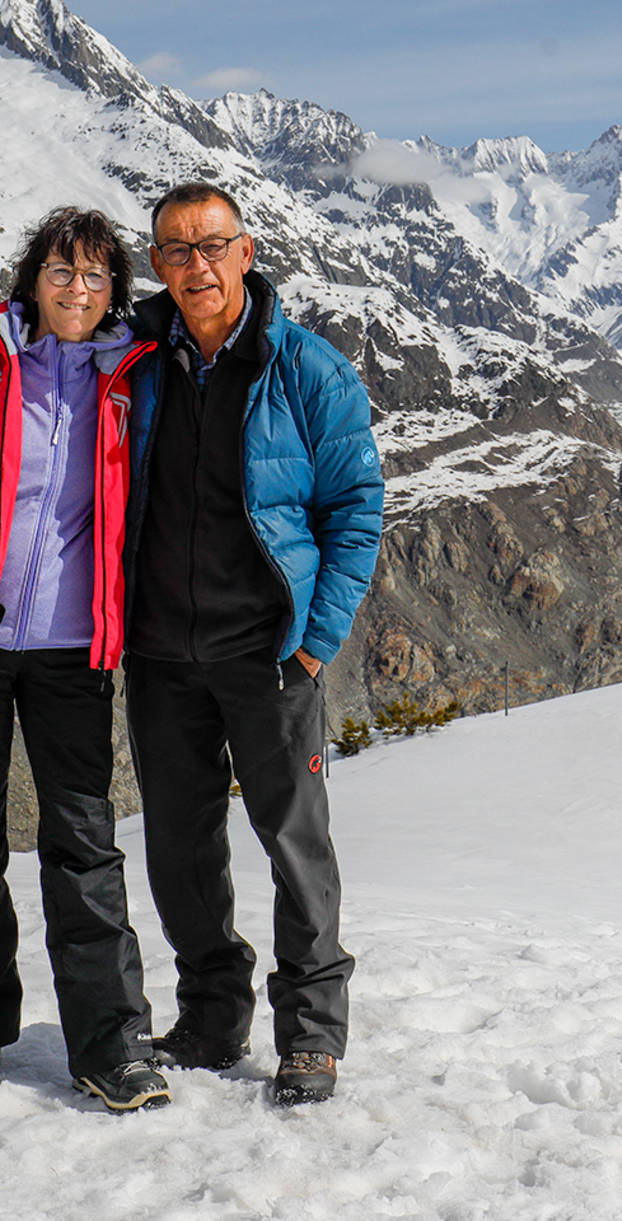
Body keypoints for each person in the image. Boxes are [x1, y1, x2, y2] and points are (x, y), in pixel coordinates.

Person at [125, 182, 383, 1106]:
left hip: (269, 653)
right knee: (179, 844)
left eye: (212, 245)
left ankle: (310, 1034)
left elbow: (356, 510)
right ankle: (211, 1013)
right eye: (176, 249)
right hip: (160, 652)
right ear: (157, 264)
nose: (196, 264)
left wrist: (313, 644)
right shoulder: (138, 363)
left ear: (246, 252)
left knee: (294, 842)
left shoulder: (309, 369)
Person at [0, 207, 171, 1111]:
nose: (77, 289)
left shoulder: (128, 375)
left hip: (72, 647)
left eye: (97, 276)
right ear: (32, 277)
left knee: (82, 846)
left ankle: (113, 1045)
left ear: (116, 293)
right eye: (62, 271)